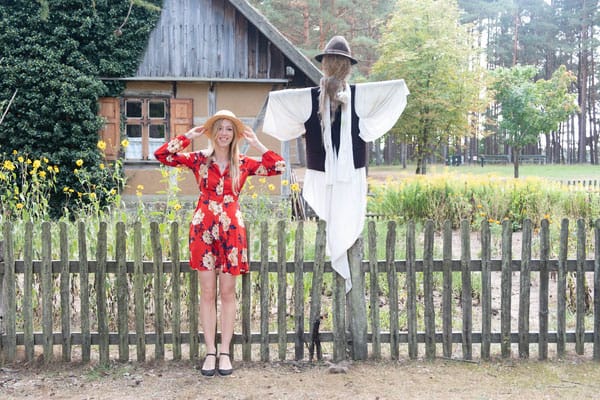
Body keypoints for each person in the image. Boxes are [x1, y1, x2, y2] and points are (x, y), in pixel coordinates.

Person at [263, 36, 409, 292]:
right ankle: (339, 270)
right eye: (336, 61)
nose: (337, 64)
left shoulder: (357, 96)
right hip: (322, 175)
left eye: (339, 61)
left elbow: (396, 90)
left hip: (350, 174)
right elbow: (277, 103)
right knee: (333, 224)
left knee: (348, 224)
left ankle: (344, 270)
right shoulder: (311, 97)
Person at [154, 109, 285, 376]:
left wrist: (258, 143)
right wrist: (187, 137)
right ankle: (210, 352)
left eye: (229, 129)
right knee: (207, 293)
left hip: (232, 231)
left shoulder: (244, 163)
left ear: (235, 134)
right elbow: (162, 155)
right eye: (219, 128)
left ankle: (225, 351)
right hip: (203, 229)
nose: (224, 133)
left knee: (227, 293)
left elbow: (278, 166)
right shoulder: (199, 160)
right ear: (212, 132)